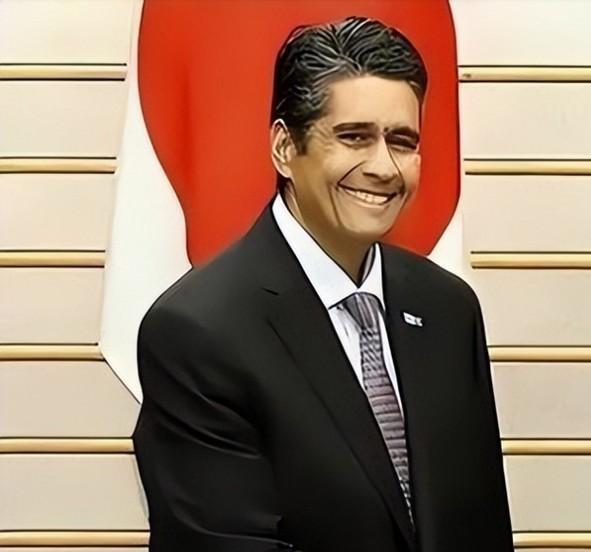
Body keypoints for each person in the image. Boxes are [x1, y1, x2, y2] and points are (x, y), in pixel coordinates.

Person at [132, 16, 512, 552]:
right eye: (354, 137)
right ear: (285, 147)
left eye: (402, 141)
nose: (384, 167)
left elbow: (482, 527)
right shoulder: (197, 332)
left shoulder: (448, 309)